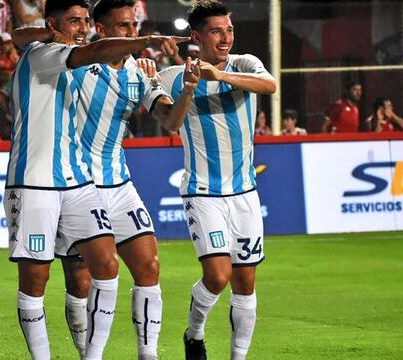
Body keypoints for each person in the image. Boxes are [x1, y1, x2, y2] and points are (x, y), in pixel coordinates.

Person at [16, 1, 200, 358]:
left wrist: (186, 90)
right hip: (76, 182)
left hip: (119, 183)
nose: (132, 32)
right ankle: (89, 352)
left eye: (135, 26)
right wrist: (54, 31)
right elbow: (20, 38)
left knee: (148, 265)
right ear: (100, 29)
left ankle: (148, 354)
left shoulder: (141, 72)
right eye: (124, 26)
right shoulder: (77, 61)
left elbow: (171, 122)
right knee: (80, 281)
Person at [158, 1, 276, 359]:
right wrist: (191, 84)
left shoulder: (244, 63)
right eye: (216, 31)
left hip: (245, 192)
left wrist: (219, 75)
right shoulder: (172, 77)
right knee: (218, 276)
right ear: (197, 36)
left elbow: (268, 86)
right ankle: (194, 335)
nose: (225, 38)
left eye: (229, 30)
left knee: (246, 282)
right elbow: (170, 123)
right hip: (203, 192)